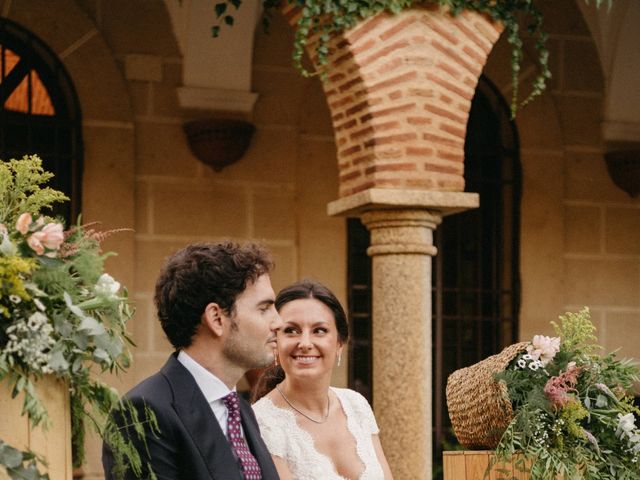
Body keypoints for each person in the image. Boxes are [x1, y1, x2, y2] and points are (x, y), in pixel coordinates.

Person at [102, 242, 282, 480]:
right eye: (264, 308)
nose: (278, 322)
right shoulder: (143, 414)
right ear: (216, 318)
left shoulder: (242, 410)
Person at [252, 279, 393, 480]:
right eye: (291, 330)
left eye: (319, 330)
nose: (305, 343)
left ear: (339, 344)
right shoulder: (261, 423)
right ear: (275, 342)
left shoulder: (356, 405)